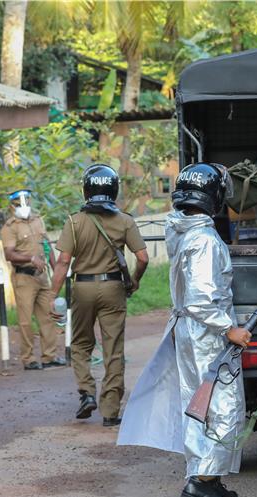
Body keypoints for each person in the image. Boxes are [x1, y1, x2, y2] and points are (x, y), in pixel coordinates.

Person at [117, 162, 252, 497]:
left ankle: (210, 475)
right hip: (207, 332)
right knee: (220, 406)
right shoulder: (205, 241)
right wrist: (230, 329)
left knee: (199, 403)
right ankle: (202, 481)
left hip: (190, 329)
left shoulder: (180, 229)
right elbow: (202, 299)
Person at [49, 164, 149, 426]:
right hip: (114, 289)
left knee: (81, 344)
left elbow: (62, 262)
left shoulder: (74, 221)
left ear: (86, 190)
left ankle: (86, 393)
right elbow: (143, 257)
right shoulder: (125, 221)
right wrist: (135, 280)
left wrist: (52, 295)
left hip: (82, 288)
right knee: (113, 349)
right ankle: (111, 412)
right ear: (114, 190)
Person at [0, 189, 64, 371]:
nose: (24, 206)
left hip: (43, 277)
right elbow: (9, 254)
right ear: (12, 206)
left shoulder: (37, 221)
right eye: (19, 204)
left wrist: (56, 266)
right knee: (26, 321)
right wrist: (30, 259)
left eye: (26, 202)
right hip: (24, 277)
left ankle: (49, 356)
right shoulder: (10, 227)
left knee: (48, 316)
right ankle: (28, 359)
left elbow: (46, 245)